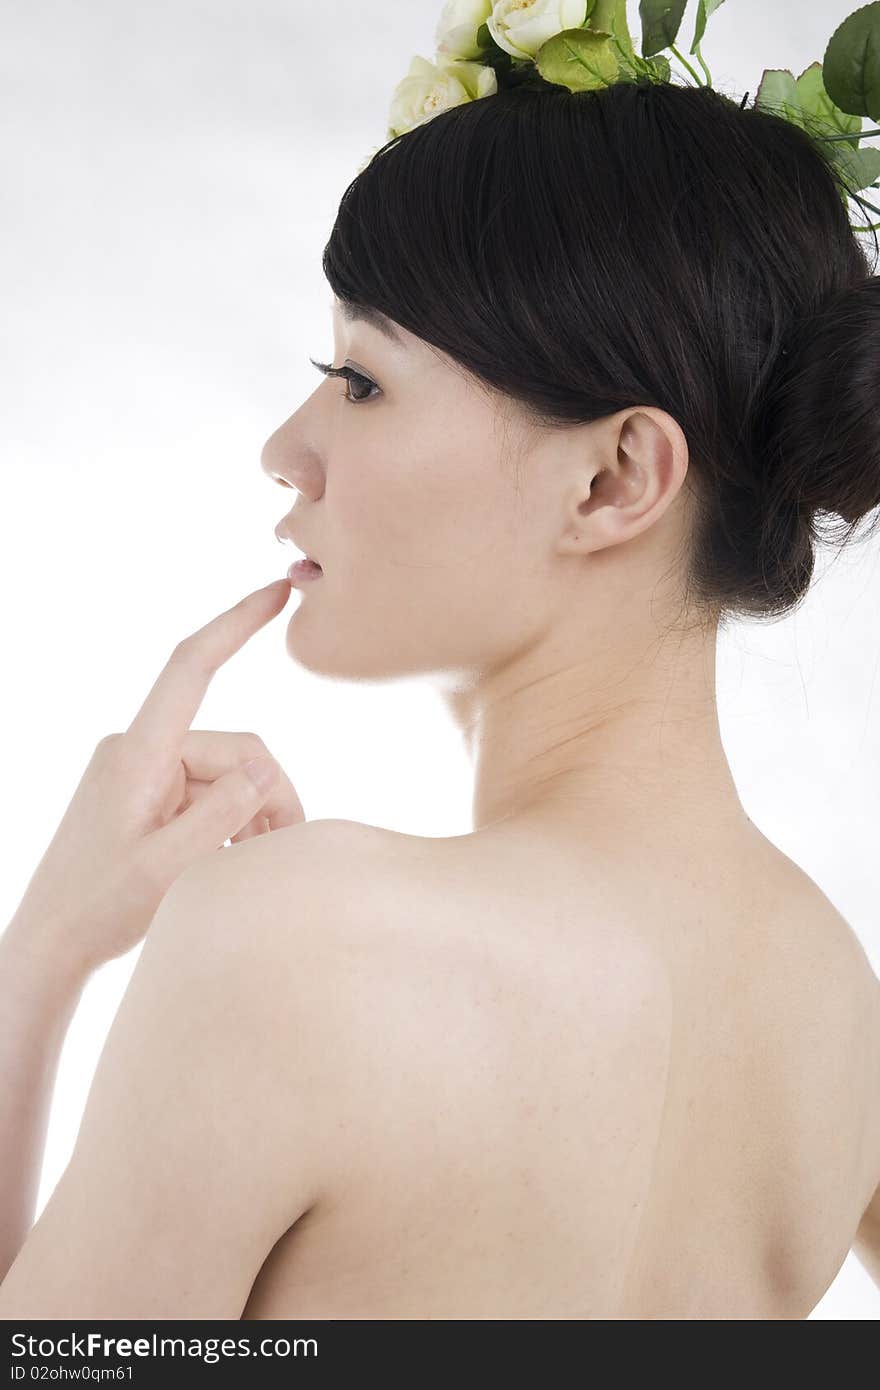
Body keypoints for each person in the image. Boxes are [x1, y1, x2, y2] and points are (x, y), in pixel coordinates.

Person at [2, 76, 879, 1322]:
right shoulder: (839, 1011)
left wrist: (38, 963)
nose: (285, 448)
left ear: (613, 477)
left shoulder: (299, 943)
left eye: (358, 380)